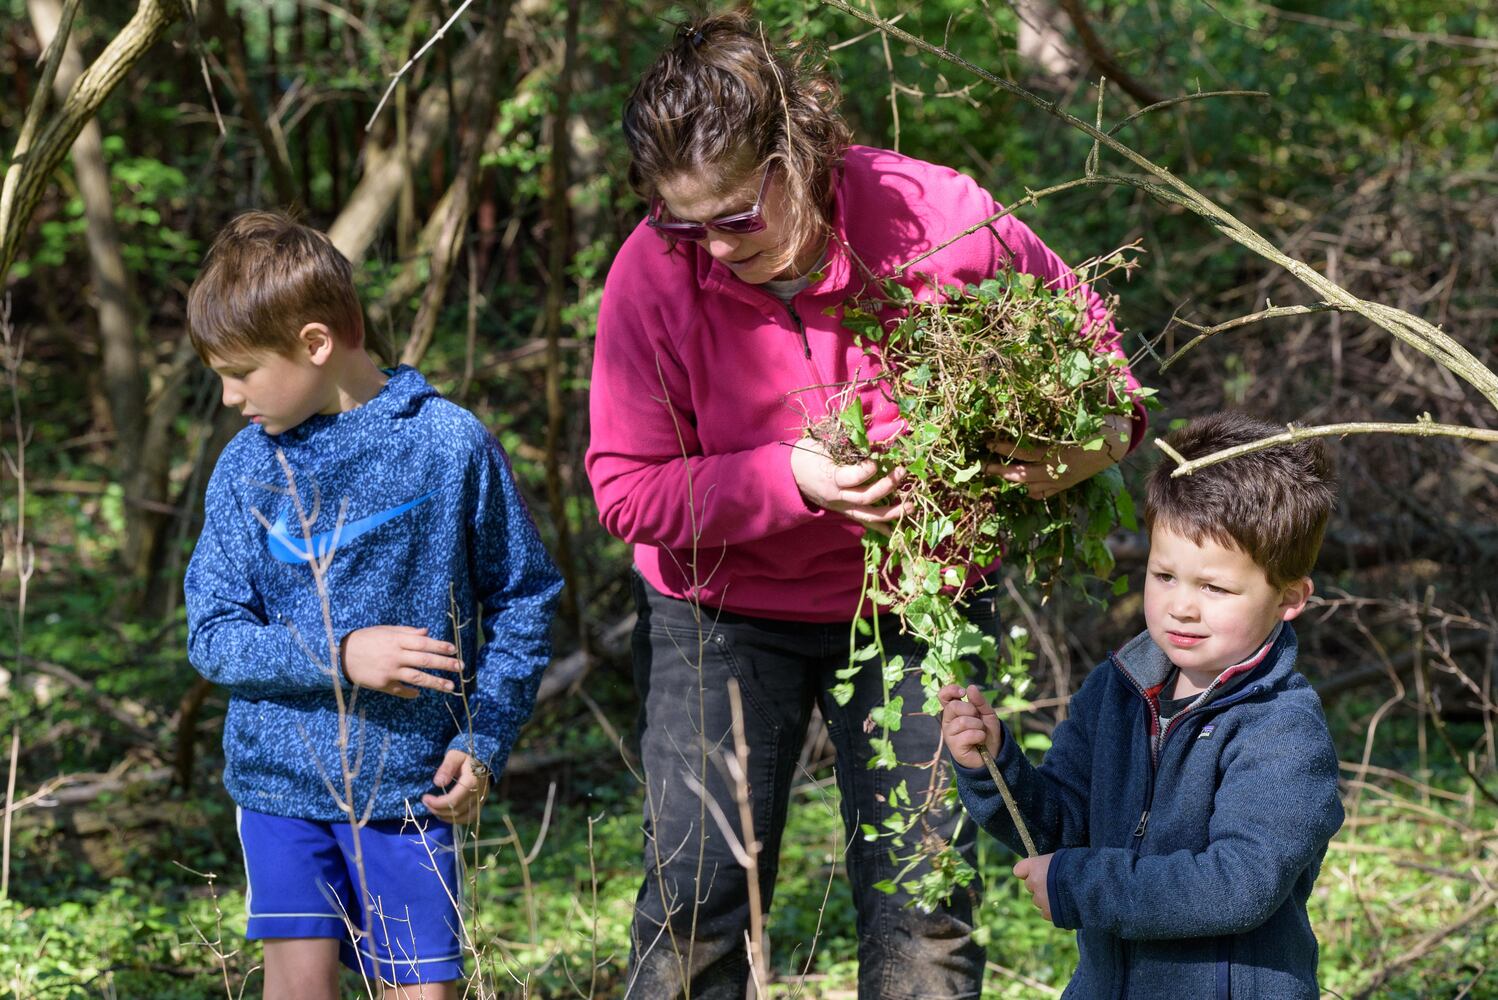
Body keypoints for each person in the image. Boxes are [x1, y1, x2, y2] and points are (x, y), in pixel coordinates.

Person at [586, 13, 1143, 998]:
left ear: (797, 153)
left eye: (734, 218)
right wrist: (785, 478)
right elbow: (626, 489)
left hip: (915, 612)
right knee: (697, 900)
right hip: (716, 614)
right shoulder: (653, 272)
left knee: (924, 908)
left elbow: (1107, 384)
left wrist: (1075, 452)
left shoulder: (939, 218)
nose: (709, 248)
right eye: (682, 222)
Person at [183, 211, 563, 999]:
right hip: (278, 793)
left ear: (316, 343)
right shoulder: (245, 467)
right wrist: (341, 654)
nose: (227, 396)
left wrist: (485, 738)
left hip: (411, 796)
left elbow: (525, 594)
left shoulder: (449, 445)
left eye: (242, 371)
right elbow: (213, 635)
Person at [940, 412, 1344, 999]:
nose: (1182, 607)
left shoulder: (1282, 728)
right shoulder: (1117, 691)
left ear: (1289, 598)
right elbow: (1061, 827)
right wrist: (993, 767)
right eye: (1165, 576)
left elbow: (1240, 884)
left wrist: (1082, 886)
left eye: (1214, 587)